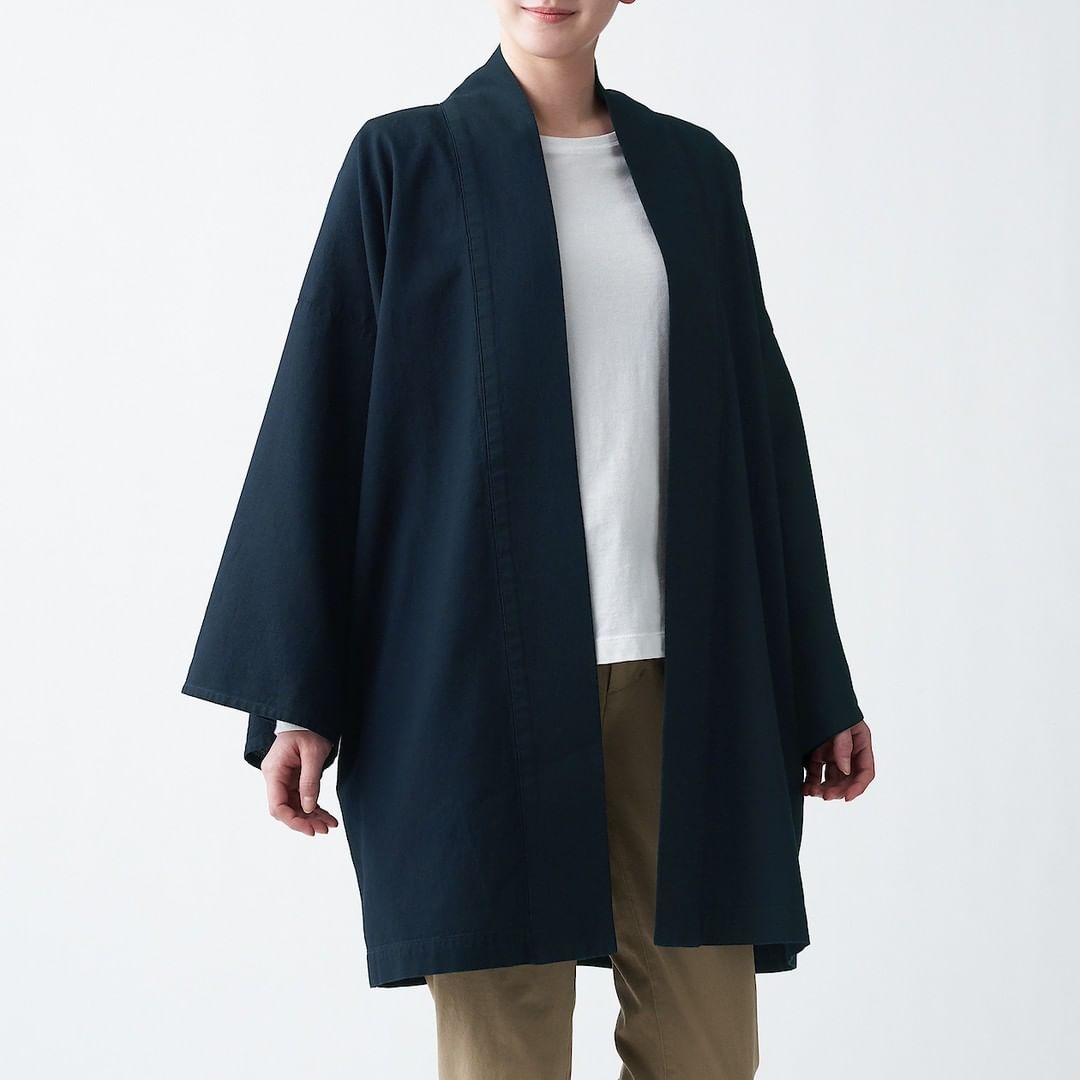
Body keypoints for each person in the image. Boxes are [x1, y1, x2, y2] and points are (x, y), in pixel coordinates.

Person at [182, 3, 876, 1076]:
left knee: (706, 1052)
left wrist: (820, 685)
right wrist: (298, 696)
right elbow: (323, 417)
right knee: (503, 1059)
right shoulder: (403, 163)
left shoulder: (694, 174)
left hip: (685, 683)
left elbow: (763, 435)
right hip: (471, 689)